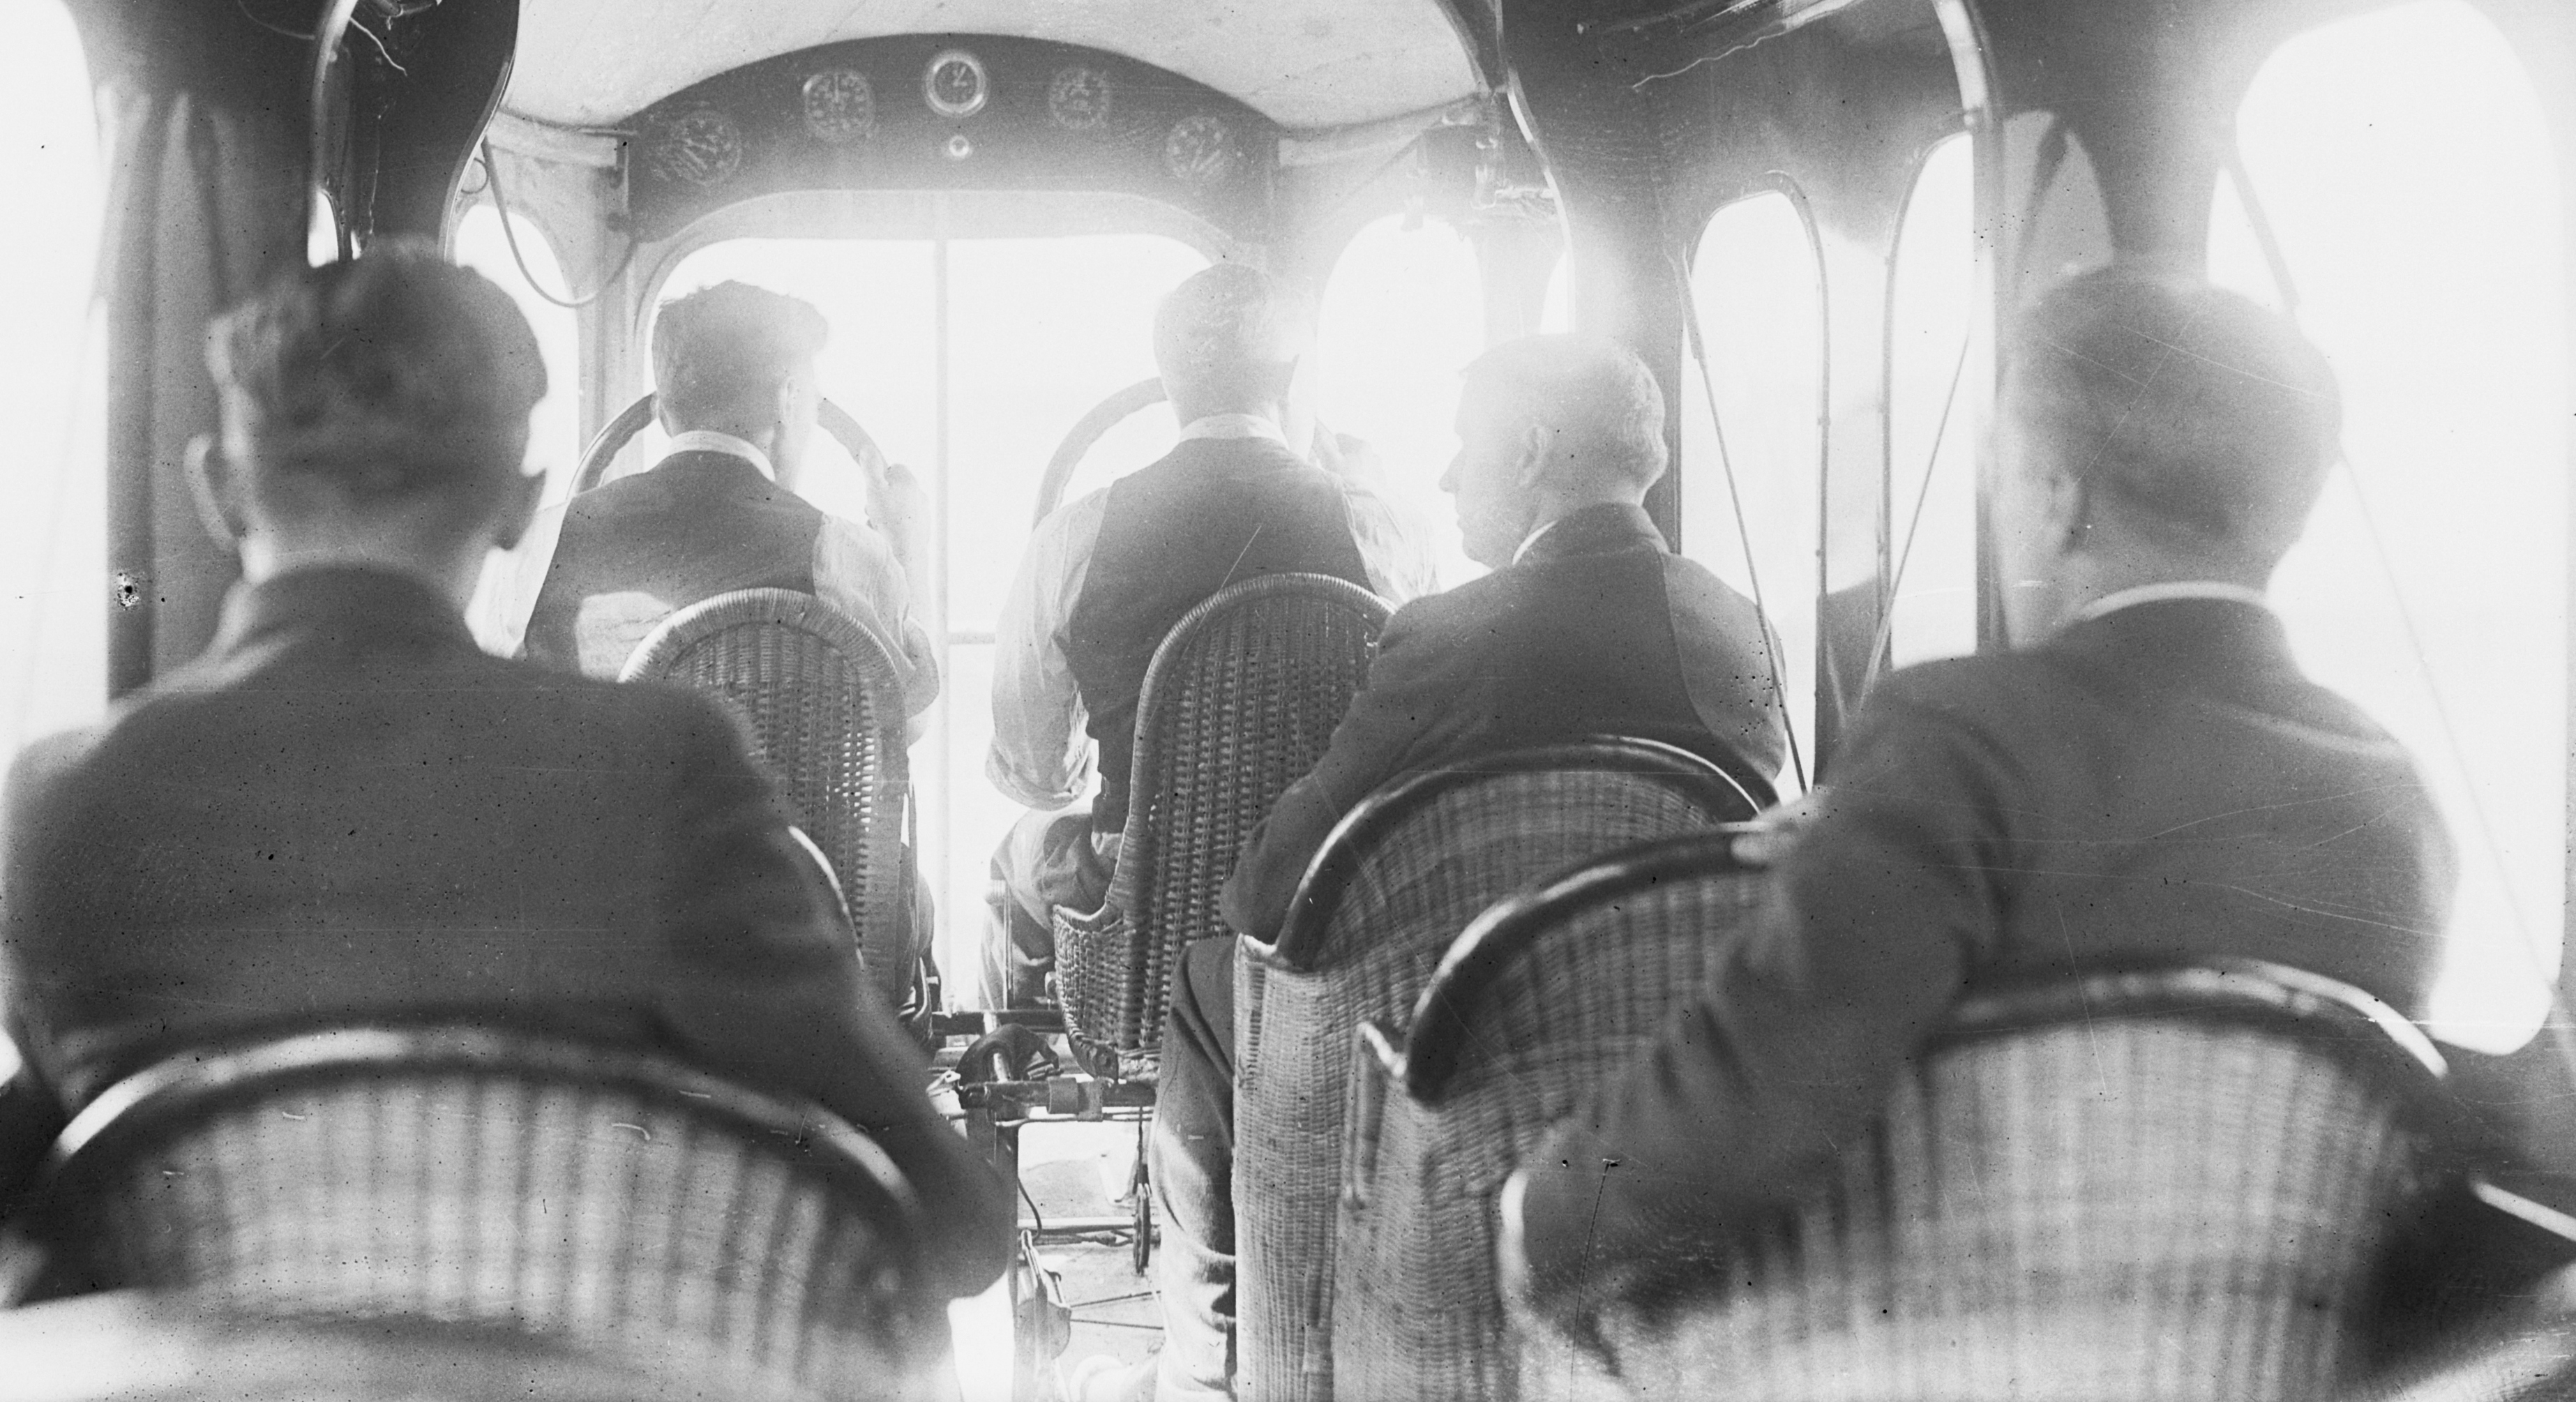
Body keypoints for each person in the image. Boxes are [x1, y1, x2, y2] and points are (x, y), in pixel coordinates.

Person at [0, 246, 1007, 1294]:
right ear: (520, 504)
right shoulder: (660, 769)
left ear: (218, 487)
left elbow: (15, 1211)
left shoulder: (64, 798)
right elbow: (954, 1227)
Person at [1505, 266, 2457, 1320]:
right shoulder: (2393, 793)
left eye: (2001, 473)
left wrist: (1529, 1223)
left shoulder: (1960, 731)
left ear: (2058, 502)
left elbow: (1751, 1108)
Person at [1136, 331, 1789, 1401]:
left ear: (1531, 450)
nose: (1443, 477)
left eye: (1462, 449)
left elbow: (1266, 896)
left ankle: (1209, 1367)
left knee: (1205, 981)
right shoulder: (1737, 626)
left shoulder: (1449, 635)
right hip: (1669, 1051)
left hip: (1444, 1050)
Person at [982, 262, 1436, 1006]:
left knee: (1014, 857)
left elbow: (1037, 772)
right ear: (1290, 377)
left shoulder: (1076, 535)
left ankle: (1029, 1061)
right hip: (1321, 895)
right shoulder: (1380, 525)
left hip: (1140, 901)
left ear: (1168, 379)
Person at [517, 280, 939, 708]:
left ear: (663, 416)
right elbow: (906, 720)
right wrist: (907, 547)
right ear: (789, 398)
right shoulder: (843, 552)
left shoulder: (540, 540)